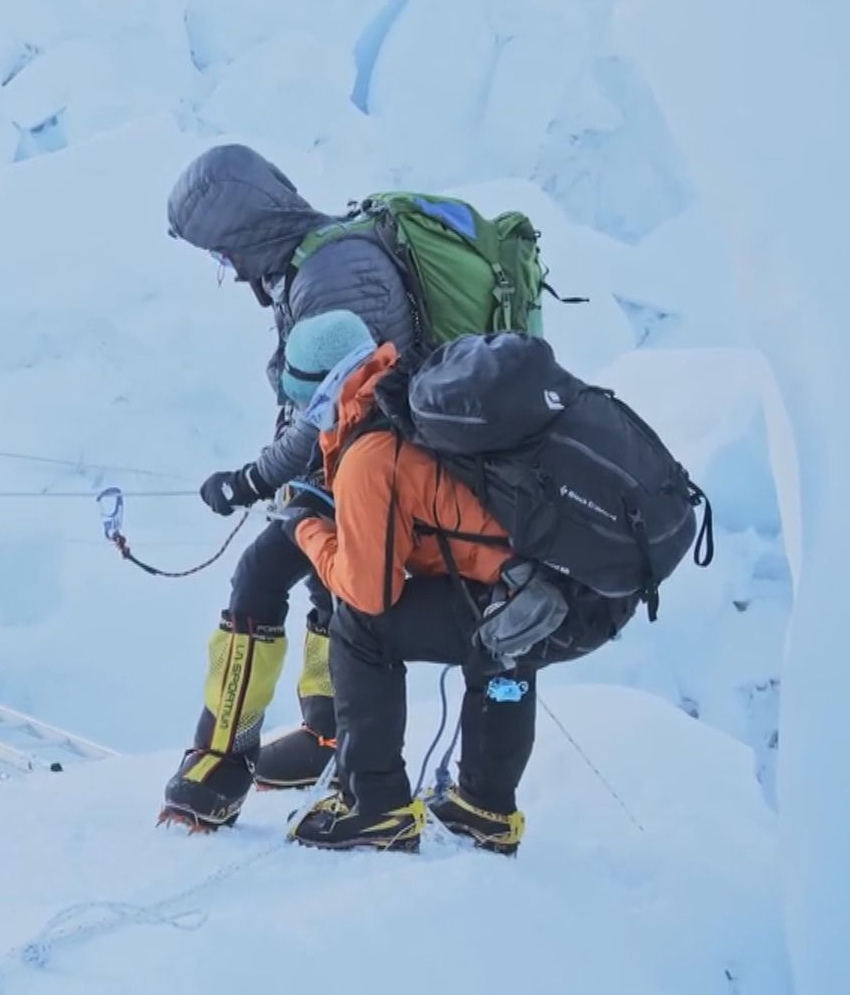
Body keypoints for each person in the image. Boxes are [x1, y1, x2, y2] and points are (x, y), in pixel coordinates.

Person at [272, 311, 638, 854]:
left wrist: (306, 527)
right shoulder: (420, 396)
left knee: (359, 627)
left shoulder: (370, 456)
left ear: (321, 394)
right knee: (501, 631)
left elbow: (368, 591)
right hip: (589, 588)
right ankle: (485, 808)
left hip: (541, 605)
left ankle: (375, 806)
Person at [157, 144, 421, 831]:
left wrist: (252, 480)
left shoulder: (332, 277)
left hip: (377, 465)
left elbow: (332, 404)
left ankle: (220, 764)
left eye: (220, 253)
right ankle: (326, 734)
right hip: (366, 461)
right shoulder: (318, 262)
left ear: (242, 233)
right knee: (325, 585)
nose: (225, 268)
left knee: (259, 576)